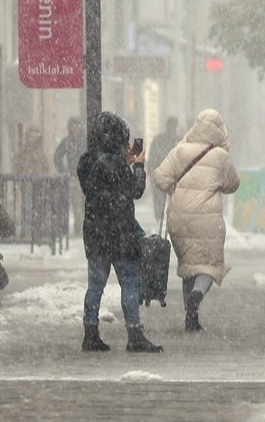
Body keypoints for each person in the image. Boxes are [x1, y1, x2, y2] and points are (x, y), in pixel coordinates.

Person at [78, 111, 161, 353]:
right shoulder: (114, 164)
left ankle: (90, 333)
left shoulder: (87, 161)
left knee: (95, 285)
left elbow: (105, 185)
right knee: (129, 282)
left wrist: (124, 164)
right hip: (119, 233)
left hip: (94, 232)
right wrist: (137, 166)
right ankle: (135, 334)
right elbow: (135, 190)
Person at [153, 109, 240, 332]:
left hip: (179, 217)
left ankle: (191, 318)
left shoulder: (179, 150)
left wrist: (178, 189)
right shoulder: (220, 156)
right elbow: (233, 184)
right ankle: (197, 295)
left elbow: (160, 178)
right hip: (207, 218)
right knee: (209, 266)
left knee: (189, 265)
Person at [54, 117, 86, 235]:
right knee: (76, 203)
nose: (75, 128)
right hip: (74, 176)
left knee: (84, 202)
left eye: (76, 125)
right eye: (72, 126)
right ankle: (79, 225)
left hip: (85, 176)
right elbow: (57, 156)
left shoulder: (85, 141)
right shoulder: (67, 141)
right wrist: (63, 170)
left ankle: (83, 225)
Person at [148, 116, 181, 230]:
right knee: (173, 201)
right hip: (173, 175)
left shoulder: (158, 139)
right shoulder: (179, 140)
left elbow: (152, 157)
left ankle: (160, 220)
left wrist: (152, 172)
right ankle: (168, 221)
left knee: (159, 200)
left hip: (161, 173)